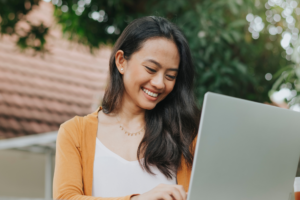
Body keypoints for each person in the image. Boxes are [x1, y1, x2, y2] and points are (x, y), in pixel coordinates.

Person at [53, 16, 200, 200]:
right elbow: (66, 197)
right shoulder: (74, 132)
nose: (159, 83)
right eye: (151, 69)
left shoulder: (187, 137)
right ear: (121, 61)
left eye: (170, 76)